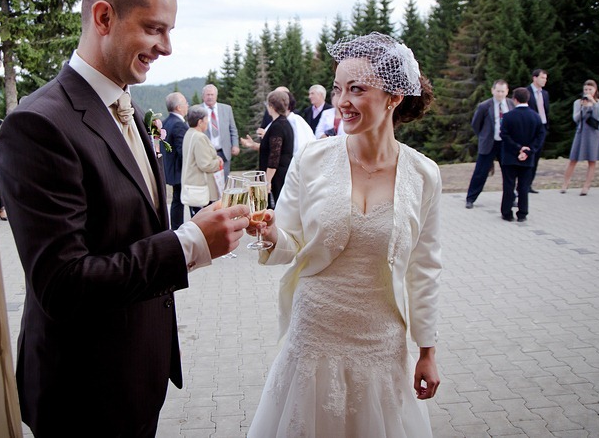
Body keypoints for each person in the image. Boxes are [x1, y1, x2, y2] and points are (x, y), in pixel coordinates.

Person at [0, 0, 250, 437]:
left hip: (137, 374)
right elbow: (62, 284)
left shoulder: (125, 107)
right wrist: (190, 243)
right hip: (83, 391)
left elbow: (130, 231)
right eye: (154, 29)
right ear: (104, 17)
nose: (167, 47)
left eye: (169, 31)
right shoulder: (38, 124)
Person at [246, 32, 441, 437]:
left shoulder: (424, 174)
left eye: (357, 89)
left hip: (381, 339)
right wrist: (269, 232)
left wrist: (427, 350)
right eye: (338, 89)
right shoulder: (312, 159)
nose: (342, 101)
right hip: (315, 333)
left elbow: (424, 269)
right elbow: (290, 243)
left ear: (394, 97)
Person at [465, 80, 514, 209]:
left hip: (505, 144)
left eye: (502, 91)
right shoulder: (484, 106)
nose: (500, 94)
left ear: (507, 91)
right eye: (498, 91)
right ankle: (470, 198)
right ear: (493, 91)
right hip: (489, 143)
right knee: (480, 172)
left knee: (509, 173)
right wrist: (483, 136)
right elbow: (476, 124)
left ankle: (511, 198)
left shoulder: (511, 104)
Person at [500, 87, 546, 222]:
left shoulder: (508, 116)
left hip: (510, 156)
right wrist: (528, 150)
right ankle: (522, 213)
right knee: (524, 186)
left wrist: (517, 148)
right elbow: (540, 136)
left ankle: (507, 212)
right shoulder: (536, 117)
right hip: (528, 157)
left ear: (515, 99)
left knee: (508, 185)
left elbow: (504, 135)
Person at [560, 79, 599, 195]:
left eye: (590, 89)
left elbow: (597, 117)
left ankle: (586, 186)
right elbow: (576, 119)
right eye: (586, 89)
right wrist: (584, 108)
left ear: (595, 90)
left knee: (592, 160)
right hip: (581, 132)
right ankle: (565, 183)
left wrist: (593, 104)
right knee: (573, 159)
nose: (588, 92)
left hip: (594, 133)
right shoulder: (578, 102)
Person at [181, 105, 224, 217]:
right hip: (202, 187)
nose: (208, 122)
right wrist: (218, 162)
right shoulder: (200, 137)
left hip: (192, 185)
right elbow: (205, 164)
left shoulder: (189, 133)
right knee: (205, 219)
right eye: (206, 119)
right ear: (200, 122)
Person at [259, 89, 295, 203]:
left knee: (276, 207)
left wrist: (267, 181)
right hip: (281, 173)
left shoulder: (277, 126)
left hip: (276, 177)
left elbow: (274, 156)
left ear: (271, 106)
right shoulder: (284, 123)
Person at [200, 83, 239, 178]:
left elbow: (233, 129)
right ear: (203, 96)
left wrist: (235, 145)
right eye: (207, 95)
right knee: (208, 181)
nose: (210, 97)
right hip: (206, 153)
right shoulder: (197, 110)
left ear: (216, 96)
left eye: (212, 94)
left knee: (224, 181)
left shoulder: (227, 109)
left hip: (223, 152)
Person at [163, 92, 189, 229]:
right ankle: (178, 228)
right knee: (180, 201)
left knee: (176, 200)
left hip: (171, 169)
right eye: (185, 103)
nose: (187, 105)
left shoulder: (166, 122)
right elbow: (183, 151)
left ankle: (175, 227)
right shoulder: (179, 124)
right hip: (180, 170)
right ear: (179, 107)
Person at [525, 68, 549, 193]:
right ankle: (522, 184)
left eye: (545, 78)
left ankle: (529, 184)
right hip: (530, 129)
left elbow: (546, 110)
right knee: (529, 155)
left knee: (537, 157)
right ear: (534, 78)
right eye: (542, 78)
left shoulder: (545, 94)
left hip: (542, 127)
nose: (544, 80)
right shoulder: (526, 92)